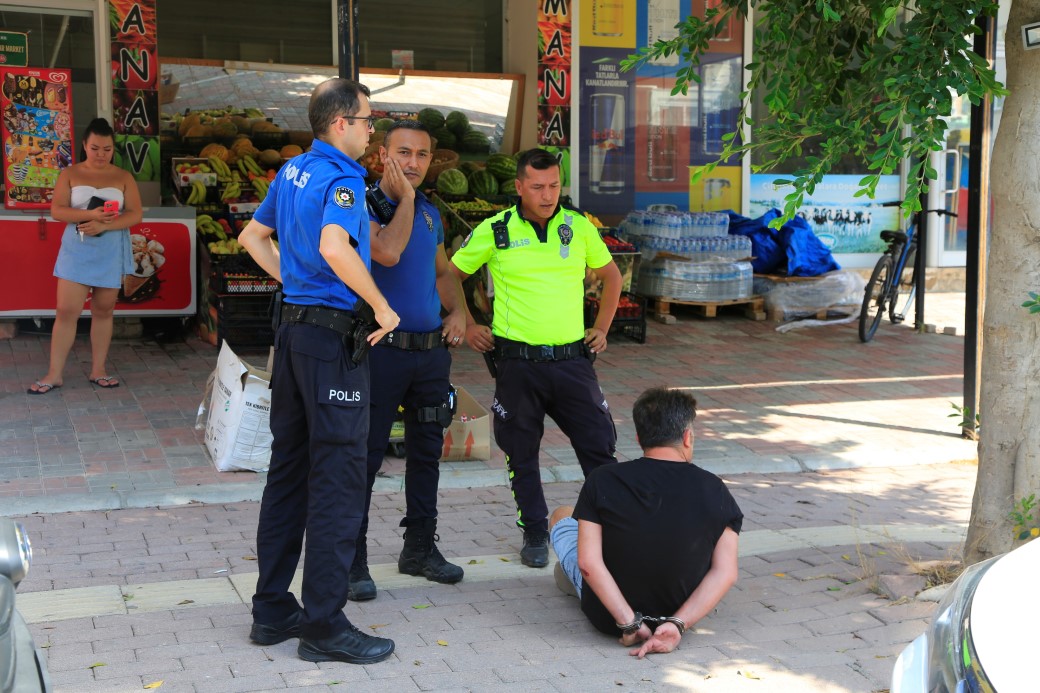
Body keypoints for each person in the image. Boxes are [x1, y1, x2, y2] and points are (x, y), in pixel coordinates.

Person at [238, 77, 400, 665]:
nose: (371, 130)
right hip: (331, 344)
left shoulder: (293, 172)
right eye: (366, 120)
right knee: (337, 478)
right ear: (340, 124)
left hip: (292, 338)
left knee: (287, 472)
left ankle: (272, 609)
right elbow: (336, 245)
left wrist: (294, 283)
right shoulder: (341, 178)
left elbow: (252, 236)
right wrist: (380, 305)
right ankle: (325, 625)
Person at [449, 148, 623, 568]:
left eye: (555, 186)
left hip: (572, 362)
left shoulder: (578, 227)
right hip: (517, 365)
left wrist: (602, 326)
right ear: (520, 186)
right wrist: (468, 322)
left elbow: (612, 274)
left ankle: (616, 525)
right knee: (521, 451)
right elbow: (451, 275)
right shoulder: (495, 230)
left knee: (599, 448)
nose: (548, 195)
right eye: (538, 187)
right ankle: (533, 529)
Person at [347, 120, 468, 601]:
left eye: (421, 154)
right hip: (381, 355)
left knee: (426, 456)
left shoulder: (432, 215)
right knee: (366, 458)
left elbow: (442, 272)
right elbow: (386, 255)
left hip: (429, 356)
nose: (413, 163)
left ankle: (419, 548)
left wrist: (459, 310)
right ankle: (352, 558)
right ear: (383, 156)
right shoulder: (363, 207)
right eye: (404, 153)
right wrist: (407, 202)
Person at [548, 387, 742, 658]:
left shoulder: (602, 479)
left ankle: (572, 581)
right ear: (687, 437)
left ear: (639, 439)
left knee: (561, 515)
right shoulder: (716, 489)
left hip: (609, 618)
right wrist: (676, 624)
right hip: (674, 614)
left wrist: (630, 622)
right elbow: (725, 572)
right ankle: (680, 617)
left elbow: (588, 562)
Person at [28, 117, 143, 394]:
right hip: (77, 249)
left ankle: (98, 370)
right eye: (95, 148)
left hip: (110, 249)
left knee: (104, 310)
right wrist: (89, 215)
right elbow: (58, 210)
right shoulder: (70, 173)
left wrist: (104, 223)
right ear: (84, 145)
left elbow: (135, 214)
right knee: (66, 311)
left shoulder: (123, 176)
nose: (101, 154)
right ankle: (54, 374)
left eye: (106, 149)